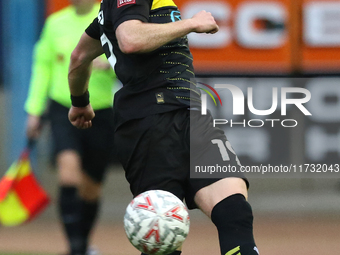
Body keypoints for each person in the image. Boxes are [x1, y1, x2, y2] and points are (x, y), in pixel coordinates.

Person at [68, 0, 259, 254]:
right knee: (161, 240)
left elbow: (79, 57)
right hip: (149, 120)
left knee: (235, 212)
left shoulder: (108, 14)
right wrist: (191, 23)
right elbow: (130, 39)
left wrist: (80, 102)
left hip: (190, 114)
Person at [24, 1, 120, 255]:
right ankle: (75, 247)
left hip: (100, 111)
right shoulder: (55, 24)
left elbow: (129, 59)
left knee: (91, 188)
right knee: (69, 174)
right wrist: (34, 110)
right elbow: (42, 66)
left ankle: (83, 243)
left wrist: (110, 65)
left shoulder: (108, 19)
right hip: (63, 108)